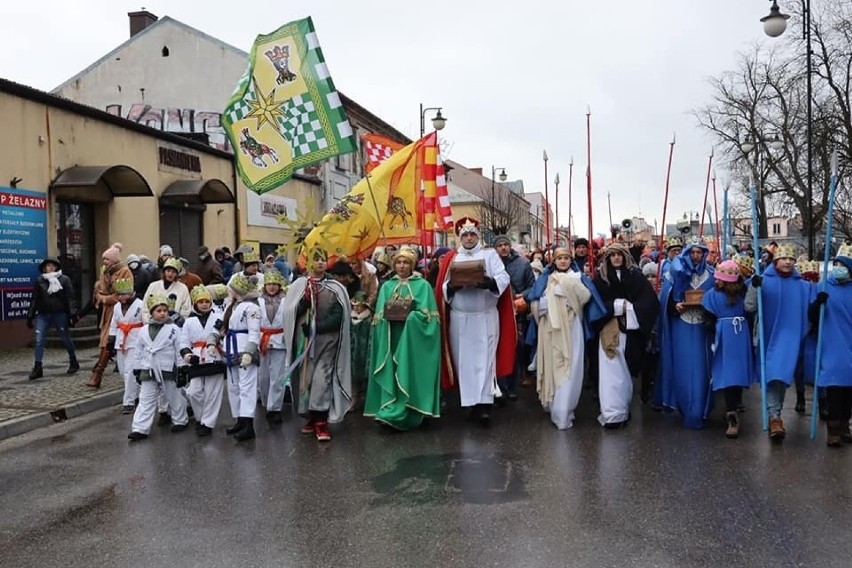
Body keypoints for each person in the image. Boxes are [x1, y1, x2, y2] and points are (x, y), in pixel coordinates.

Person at [436, 217, 513, 427]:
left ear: (478, 236)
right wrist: (451, 288)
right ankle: (469, 402)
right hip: (461, 319)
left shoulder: (490, 255)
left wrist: (490, 283)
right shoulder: (452, 258)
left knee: (485, 362)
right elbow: (442, 286)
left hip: (485, 316)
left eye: (472, 234)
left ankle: (484, 406)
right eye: (465, 235)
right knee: (464, 362)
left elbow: (503, 277)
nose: (469, 238)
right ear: (460, 237)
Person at [365, 247, 441, 430]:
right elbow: (379, 317)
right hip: (391, 338)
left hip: (412, 341)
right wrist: (386, 318)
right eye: (398, 262)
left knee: (409, 370)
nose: (401, 266)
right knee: (392, 369)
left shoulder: (422, 286)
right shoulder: (387, 286)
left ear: (412, 265)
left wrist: (412, 316)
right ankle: (390, 409)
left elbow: (430, 320)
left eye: (405, 262)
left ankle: (413, 409)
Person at [283, 248, 351, 442]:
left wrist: (317, 327)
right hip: (305, 344)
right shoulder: (299, 285)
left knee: (322, 380)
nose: (320, 263)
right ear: (308, 263)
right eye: (316, 260)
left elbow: (339, 316)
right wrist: (304, 301)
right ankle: (310, 417)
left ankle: (322, 421)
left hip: (327, 341)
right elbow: (290, 311)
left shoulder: (335, 287)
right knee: (307, 380)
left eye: (323, 259)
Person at [746, 244, 814, 440]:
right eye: (783, 259)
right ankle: (775, 417)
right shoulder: (763, 281)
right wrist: (753, 287)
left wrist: (819, 303)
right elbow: (749, 307)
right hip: (768, 336)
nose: (787, 262)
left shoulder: (803, 286)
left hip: (791, 338)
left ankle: (775, 415)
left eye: (791, 259)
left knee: (780, 377)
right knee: (774, 376)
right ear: (775, 261)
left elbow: (812, 310)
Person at [592, 243, 659, 428]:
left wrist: (630, 308)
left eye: (619, 255)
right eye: (612, 255)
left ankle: (623, 409)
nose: (616, 258)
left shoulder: (636, 276)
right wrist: (613, 307)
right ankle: (612, 414)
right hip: (608, 330)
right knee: (610, 370)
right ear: (607, 258)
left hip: (631, 331)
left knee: (627, 370)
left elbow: (649, 301)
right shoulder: (601, 279)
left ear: (625, 257)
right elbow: (594, 304)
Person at [527, 248, 591, 429]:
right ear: (553, 261)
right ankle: (553, 404)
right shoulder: (545, 279)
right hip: (550, 329)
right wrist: (546, 304)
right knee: (552, 367)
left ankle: (564, 410)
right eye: (559, 258)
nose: (563, 261)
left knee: (570, 367)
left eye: (566, 258)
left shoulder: (578, 278)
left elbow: (585, 297)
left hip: (571, 328)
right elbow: (535, 302)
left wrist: (567, 296)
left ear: (571, 260)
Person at [656, 237, 715, 428]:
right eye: (692, 252)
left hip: (702, 329)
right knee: (681, 367)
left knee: (701, 369)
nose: (696, 256)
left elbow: (720, 298)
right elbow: (666, 299)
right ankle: (684, 406)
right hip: (680, 327)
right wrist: (675, 306)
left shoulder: (713, 274)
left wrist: (710, 309)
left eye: (700, 252)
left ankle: (699, 409)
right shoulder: (675, 273)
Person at [701, 260, 754, 438]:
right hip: (724, 337)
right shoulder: (712, 295)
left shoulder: (743, 293)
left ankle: (735, 404)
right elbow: (707, 316)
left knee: (737, 374)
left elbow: (751, 308)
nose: (717, 282)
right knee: (728, 374)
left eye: (721, 279)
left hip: (740, 335)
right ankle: (731, 413)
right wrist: (712, 324)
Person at [127, 294, 189, 441]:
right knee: (145, 399)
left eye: (165, 310)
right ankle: (140, 428)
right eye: (158, 310)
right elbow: (138, 351)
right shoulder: (143, 330)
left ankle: (180, 419)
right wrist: (137, 368)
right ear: (151, 312)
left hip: (167, 367)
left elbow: (179, 349)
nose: (162, 313)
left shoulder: (173, 329)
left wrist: (182, 368)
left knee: (173, 395)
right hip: (148, 368)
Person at [810, 245, 852, 446]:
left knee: (849, 389)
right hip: (832, 342)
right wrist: (818, 303)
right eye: (837, 263)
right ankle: (833, 429)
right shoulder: (824, 286)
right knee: (835, 386)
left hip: (849, 341)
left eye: (843, 264)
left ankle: (845, 425)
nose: (839, 267)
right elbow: (812, 317)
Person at [215, 272, 262, 442]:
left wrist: (249, 352)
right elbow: (221, 325)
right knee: (234, 386)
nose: (229, 292)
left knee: (247, 387)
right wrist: (213, 338)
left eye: (231, 289)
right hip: (231, 349)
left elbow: (255, 332)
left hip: (243, 349)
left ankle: (249, 425)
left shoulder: (252, 308)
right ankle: (240, 420)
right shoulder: (232, 306)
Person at [179, 286, 226, 437]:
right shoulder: (189, 321)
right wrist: (187, 355)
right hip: (196, 358)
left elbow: (222, 333)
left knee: (213, 393)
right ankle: (200, 417)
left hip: (214, 357)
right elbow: (184, 341)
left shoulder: (218, 316)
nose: (204, 304)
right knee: (193, 392)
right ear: (195, 303)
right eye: (201, 302)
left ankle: (207, 423)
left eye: (207, 301)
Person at [493, 234, 536, 400]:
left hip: (517, 312)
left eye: (506, 244)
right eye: (500, 245)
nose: (503, 247)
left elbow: (532, 286)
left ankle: (511, 386)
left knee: (515, 347)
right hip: (496, 311)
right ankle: (499, 386)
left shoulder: (523, 264)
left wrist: (521, 295)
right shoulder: (491, 264)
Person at [86, 243, 133, 389]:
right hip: (107, 312)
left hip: (121, 311)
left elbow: (124, 294)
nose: (104, 262)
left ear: (114, 260)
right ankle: (97, 371)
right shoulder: (105, 272)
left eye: (107, 259)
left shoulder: (125, 272)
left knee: (110, 342)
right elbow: (101, 289)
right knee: (105, 342)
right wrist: (101, 294)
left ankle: (98, 372)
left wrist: (105, 298)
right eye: (104, 259)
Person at [27, 257, 79, 379]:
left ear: (56, 267)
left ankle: (73, 360)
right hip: (43, 314)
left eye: (52, 265)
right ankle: (38, 366)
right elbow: (35, 299)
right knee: (39, 339)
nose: (50, 268)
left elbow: (70, 297)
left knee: (64, 337)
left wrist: (72, 314)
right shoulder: (40, 280)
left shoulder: (64, 279)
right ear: (44, 268)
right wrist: (30, 315)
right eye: (47, 266)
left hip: (59, 313)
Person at [107, 277, 145, 413]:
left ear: (130, 293)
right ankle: (138, 394)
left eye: (123, 294)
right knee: (123, 372)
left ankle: (128, 402)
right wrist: (110, 339)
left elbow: (145, 323)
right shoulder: (117, 307)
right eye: (118, 294)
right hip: (121, 339)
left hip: (135, 340)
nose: (120, 297)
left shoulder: (140, 305)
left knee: (130, 371)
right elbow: (114, 323)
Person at [256, 270, 289, 424]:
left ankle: (274, 408)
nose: (271, 287)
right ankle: (264, 401)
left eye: (274, 284)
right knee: (263, 376)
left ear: (279, 285)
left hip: (279, 339)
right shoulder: (257, 300)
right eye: (269, 284)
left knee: (278, 376)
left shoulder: (286, 300)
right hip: (262, 339)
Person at [142, 258, 191, 324]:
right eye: (168, 271)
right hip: (153, 324)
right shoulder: (153, 286)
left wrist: (179, 323)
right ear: (164, 272)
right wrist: (148, 322)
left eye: (173, 272)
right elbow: (145, 306)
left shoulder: (183, 288)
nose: (170, 274)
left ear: (177, 274)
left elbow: (186, 309)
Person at [348, 291, 372, 411]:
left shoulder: (369, 320)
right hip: (352, 353)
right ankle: (353, 399)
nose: (356, 308)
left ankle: (369, 402)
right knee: (352, 379)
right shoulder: (350, 319)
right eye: (354, 305)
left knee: (366, 377)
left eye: (359, 305)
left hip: (364, 353)